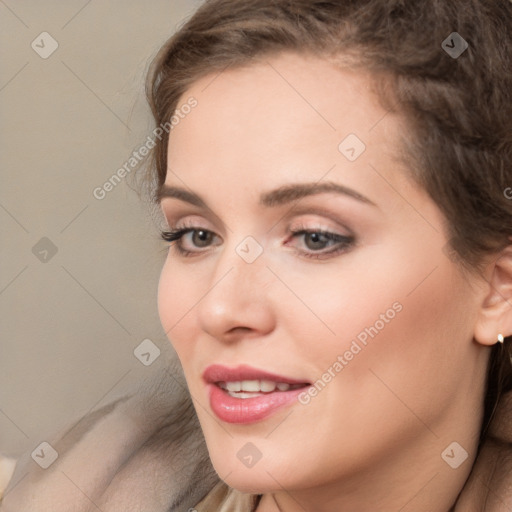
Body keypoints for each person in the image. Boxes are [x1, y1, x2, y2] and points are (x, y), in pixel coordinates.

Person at [1, 0, 511, 510]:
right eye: (196, 236)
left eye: (315, 237)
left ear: (498, 288)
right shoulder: (70, 490)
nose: (219, 310)